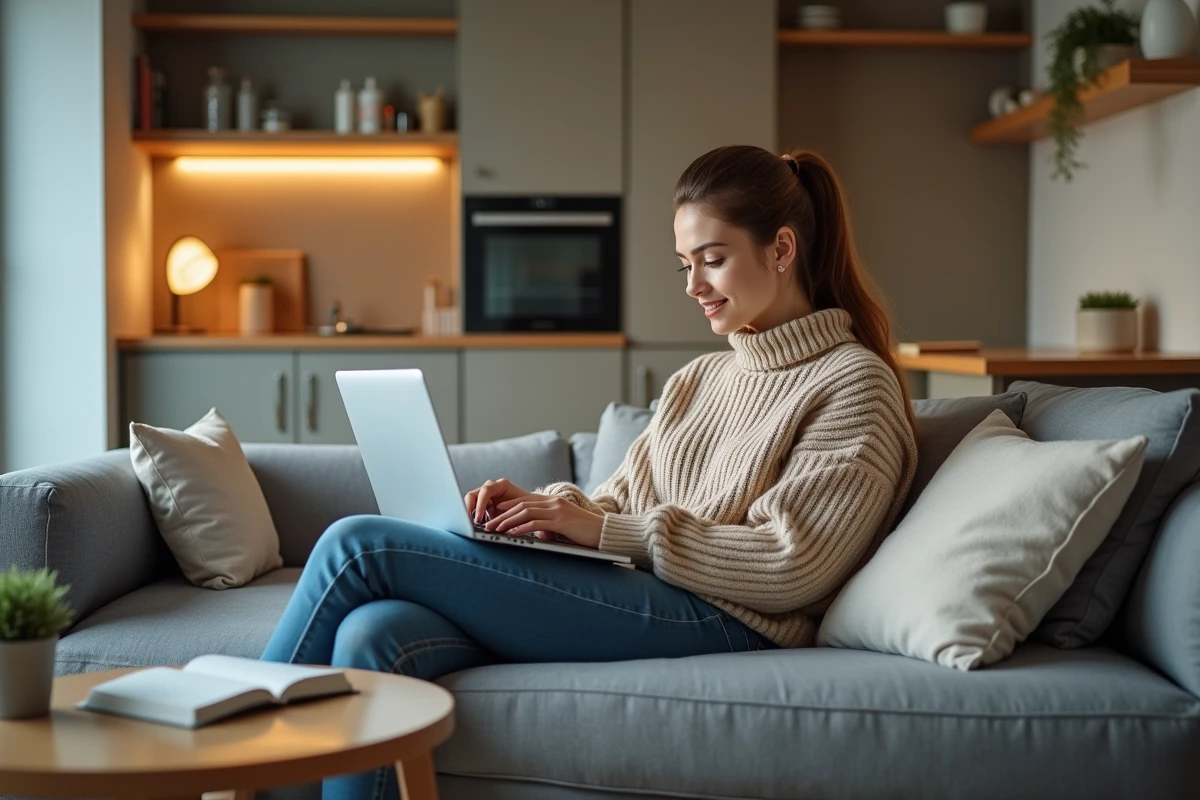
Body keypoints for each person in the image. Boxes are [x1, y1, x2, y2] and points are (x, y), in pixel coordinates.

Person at [260, 145, 918, 800]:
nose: (693, 286)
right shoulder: (700, 378)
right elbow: (619, 501)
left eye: (713, 260)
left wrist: (606, 533)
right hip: (650, 589)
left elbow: (792, 563)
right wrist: (545, 510)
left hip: (732, 620)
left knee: (359, 545)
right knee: (374, 633)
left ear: (781, 249)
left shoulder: (852, 382)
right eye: (685, 264)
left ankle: (224, 759)